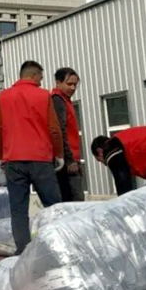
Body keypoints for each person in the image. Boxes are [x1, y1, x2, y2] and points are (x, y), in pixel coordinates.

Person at [0, 60, 64, 254]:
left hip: (13, 160)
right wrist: (59, 154)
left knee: (18, 209)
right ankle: (59, 246)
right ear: (33, 75)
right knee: (53, 207)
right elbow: (54, 129)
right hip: (41, 159)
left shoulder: (4, 97)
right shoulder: (43, 95)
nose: (41, 82)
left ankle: (23, 252)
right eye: (40, 78)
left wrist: (0, 156)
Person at [51, 67, 84, 202]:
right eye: (69, 84)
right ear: (58, 83)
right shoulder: (58, 100)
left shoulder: (65, 100)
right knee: (75, 200)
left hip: (68, 158)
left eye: (75, 85)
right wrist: (69, 159)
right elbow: (60, 130)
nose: (72, 88)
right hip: (66, 161)